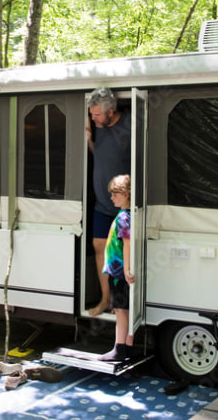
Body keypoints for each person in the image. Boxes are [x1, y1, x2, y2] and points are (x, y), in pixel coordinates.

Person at [86, 86, 132, 316]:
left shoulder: (130, 126)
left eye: (96, 115)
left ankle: (121, 303)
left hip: (124, 204)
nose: (92, 119)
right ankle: (105, 300)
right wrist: (89, 141)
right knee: (99, 247)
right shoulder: (99, 128)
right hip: (102, 204)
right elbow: (102, 156)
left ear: (111, 112)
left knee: (122, 252)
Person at [99, 174, 136, 361]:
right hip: (120, 272)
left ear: (127, 194)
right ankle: (128, 347)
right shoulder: (130, 215)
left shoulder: (123, 217)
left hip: (119, 273)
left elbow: (127, 243)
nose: (112, 198)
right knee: (127, 310)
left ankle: (119, 348)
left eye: (115, 194)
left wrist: (127, 270)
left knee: (121, 311)